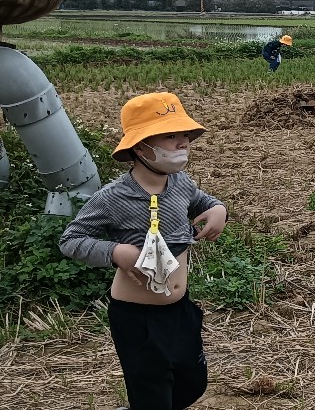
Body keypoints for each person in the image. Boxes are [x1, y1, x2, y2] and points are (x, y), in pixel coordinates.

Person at [59, 92, 229, 410]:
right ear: (140, 147)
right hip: (136, 318)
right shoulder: (112, 197)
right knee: (152, 392)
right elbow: (71, 240)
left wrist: (218, 209)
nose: (182, 142)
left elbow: (201, 201)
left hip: (179, 310)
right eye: (170, 136)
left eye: (184, 134)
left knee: (192, 383)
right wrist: (116, 252)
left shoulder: (180, 183)